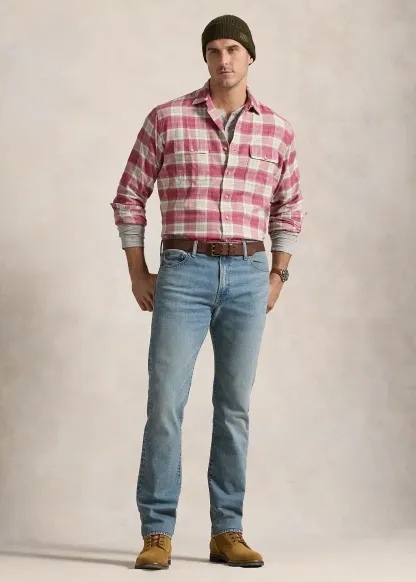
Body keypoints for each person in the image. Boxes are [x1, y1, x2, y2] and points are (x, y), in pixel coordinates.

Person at [110, 14, 306, 570]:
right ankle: (157, 532)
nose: (224, 59)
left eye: (234, 49)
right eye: (215, 50)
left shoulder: (277, 129)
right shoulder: (167, 118)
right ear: (205, 57)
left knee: (234, 407)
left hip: (249, 273)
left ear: (250, 57)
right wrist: (138, 271)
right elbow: (129, 195)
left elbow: (289, 207)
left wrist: (277, 274)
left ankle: (227, 531)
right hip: (184, 270)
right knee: (166, 403)